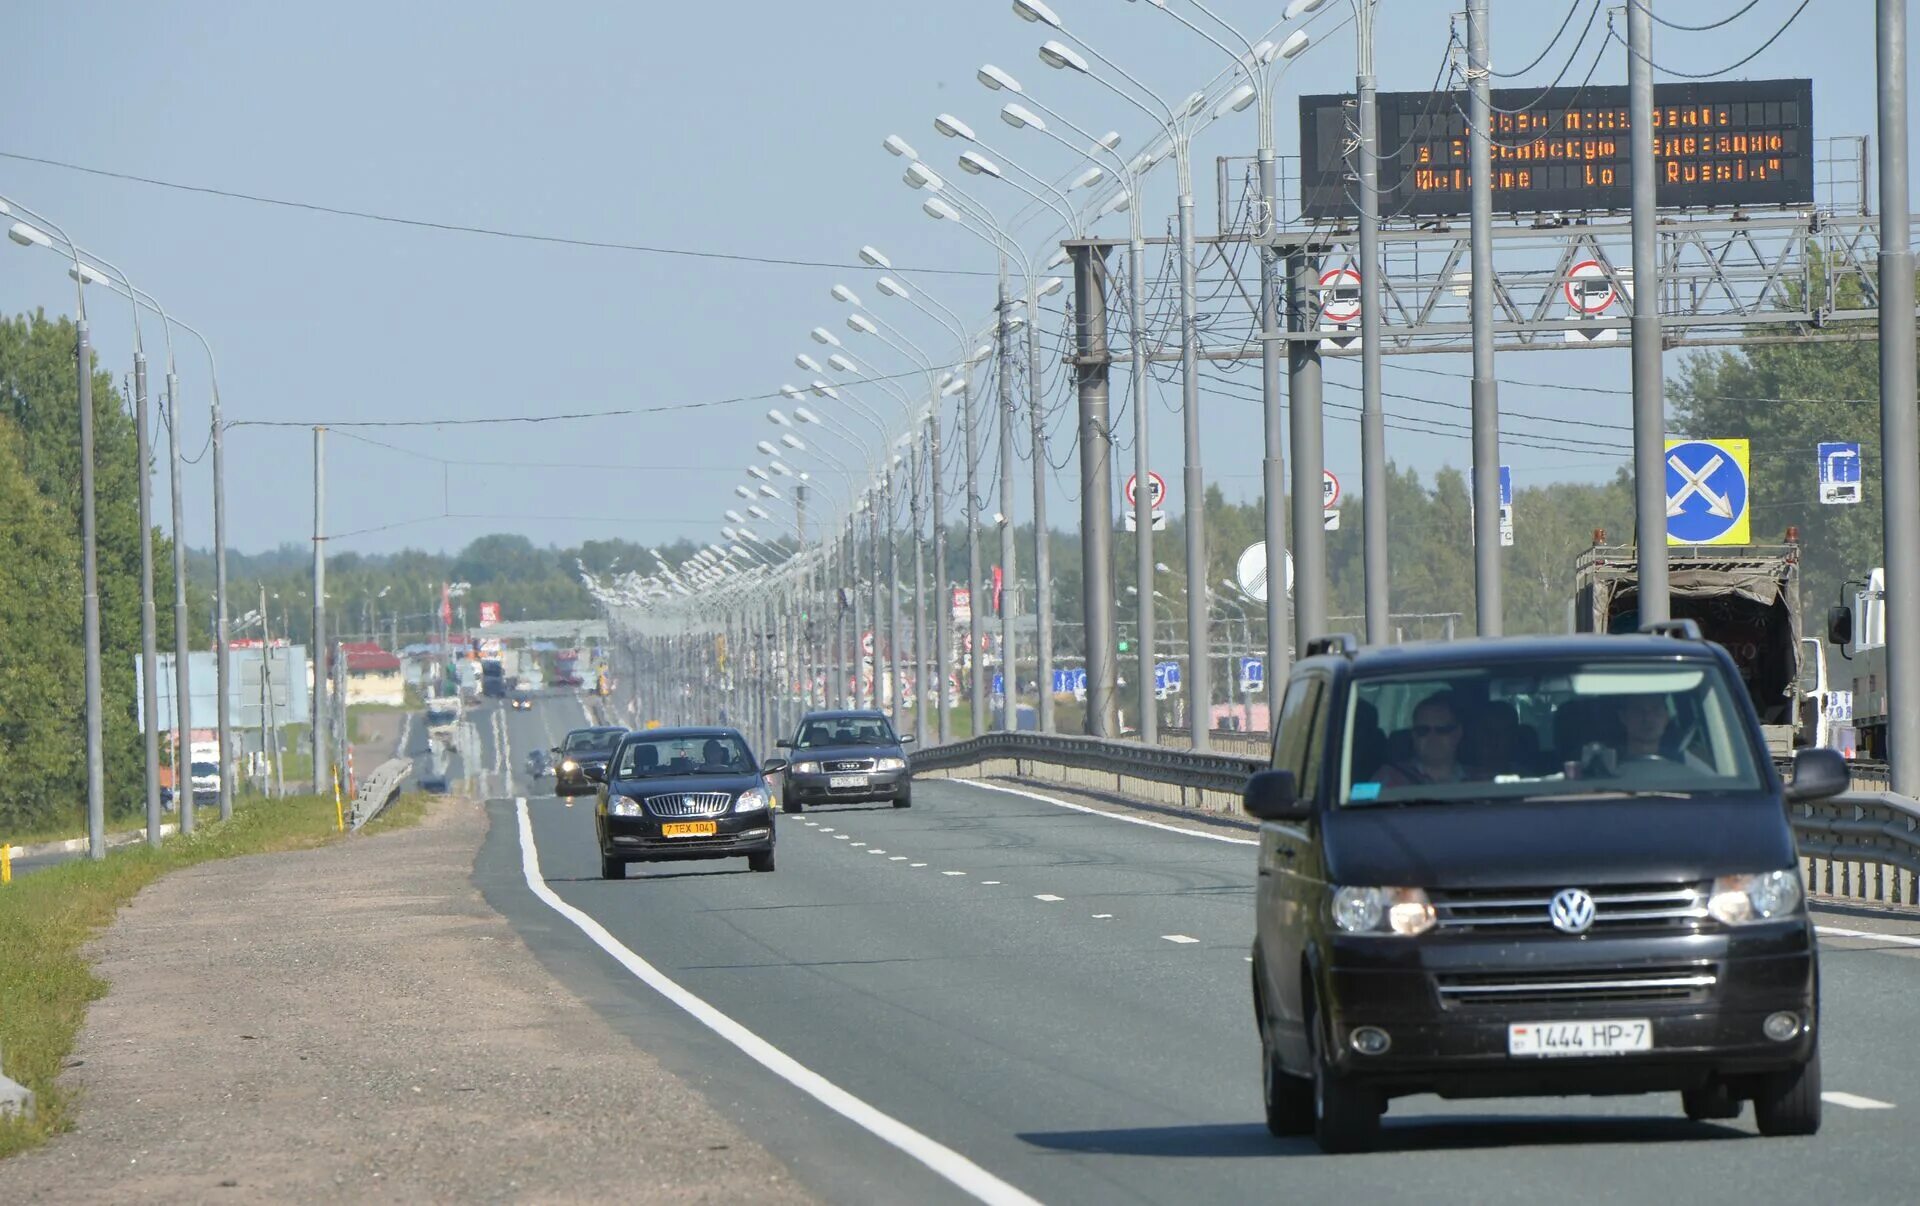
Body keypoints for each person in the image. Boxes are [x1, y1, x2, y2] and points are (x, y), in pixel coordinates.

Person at [1378, 693, 1474, 787]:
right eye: (1423, 730)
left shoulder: (1480, 780)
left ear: (1458, 733)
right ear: (1414, 735)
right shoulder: (1389, 777)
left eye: (1442, 730)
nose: (1432, 737)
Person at [1612, 694, 1714, 772]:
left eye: (1656, 710)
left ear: (1667, 717)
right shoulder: (1606, 764)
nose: (1648, 718)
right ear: (1623, 717)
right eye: (1638, 710)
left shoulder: (1686, 763)